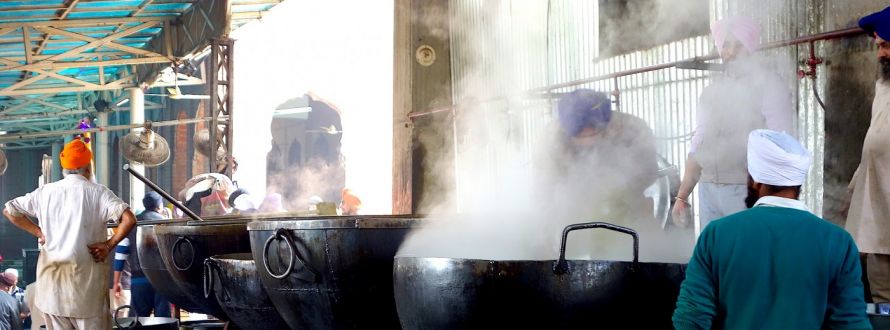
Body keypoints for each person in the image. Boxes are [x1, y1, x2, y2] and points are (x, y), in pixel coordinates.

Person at [673, 129, 870, 329]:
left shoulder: (716, 235)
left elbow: (690, 321)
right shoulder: (838, 242)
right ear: (798, 182)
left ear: (756, 180)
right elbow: (851, 323)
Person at [672, 16, 796, 230]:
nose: (730, 53)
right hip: (708, 187)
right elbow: (698, 143)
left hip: (745, 190)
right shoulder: (711, 92)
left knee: (745, 257)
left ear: (750, 48)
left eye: (738, 45)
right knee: (714, 257)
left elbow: (782, 142)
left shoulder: (769, 85)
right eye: (726, 45)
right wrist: (682, 196)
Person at [2, 139, 136, 329]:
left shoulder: (45, 192)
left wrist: (38, 231)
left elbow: (9, 210)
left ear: (64, 168)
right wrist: (108, 245)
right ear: (88, 167)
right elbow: (129, 219)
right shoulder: (98, 193)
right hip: (86, 293)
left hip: (53, 291)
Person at [845, 6, 890, 304]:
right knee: (883, 297)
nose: (880, 54)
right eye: (879, 46)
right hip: (879, 215)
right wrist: (857, 186)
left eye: (885, 45)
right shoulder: (883, 86)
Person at [112, 192, 170, 318]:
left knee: (138, 320)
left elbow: (120, 253)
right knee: (164, 321)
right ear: (159, 206)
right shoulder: (167, 224)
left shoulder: (132, 224)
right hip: (163, 281)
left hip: (139, 280)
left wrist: (117, 281)